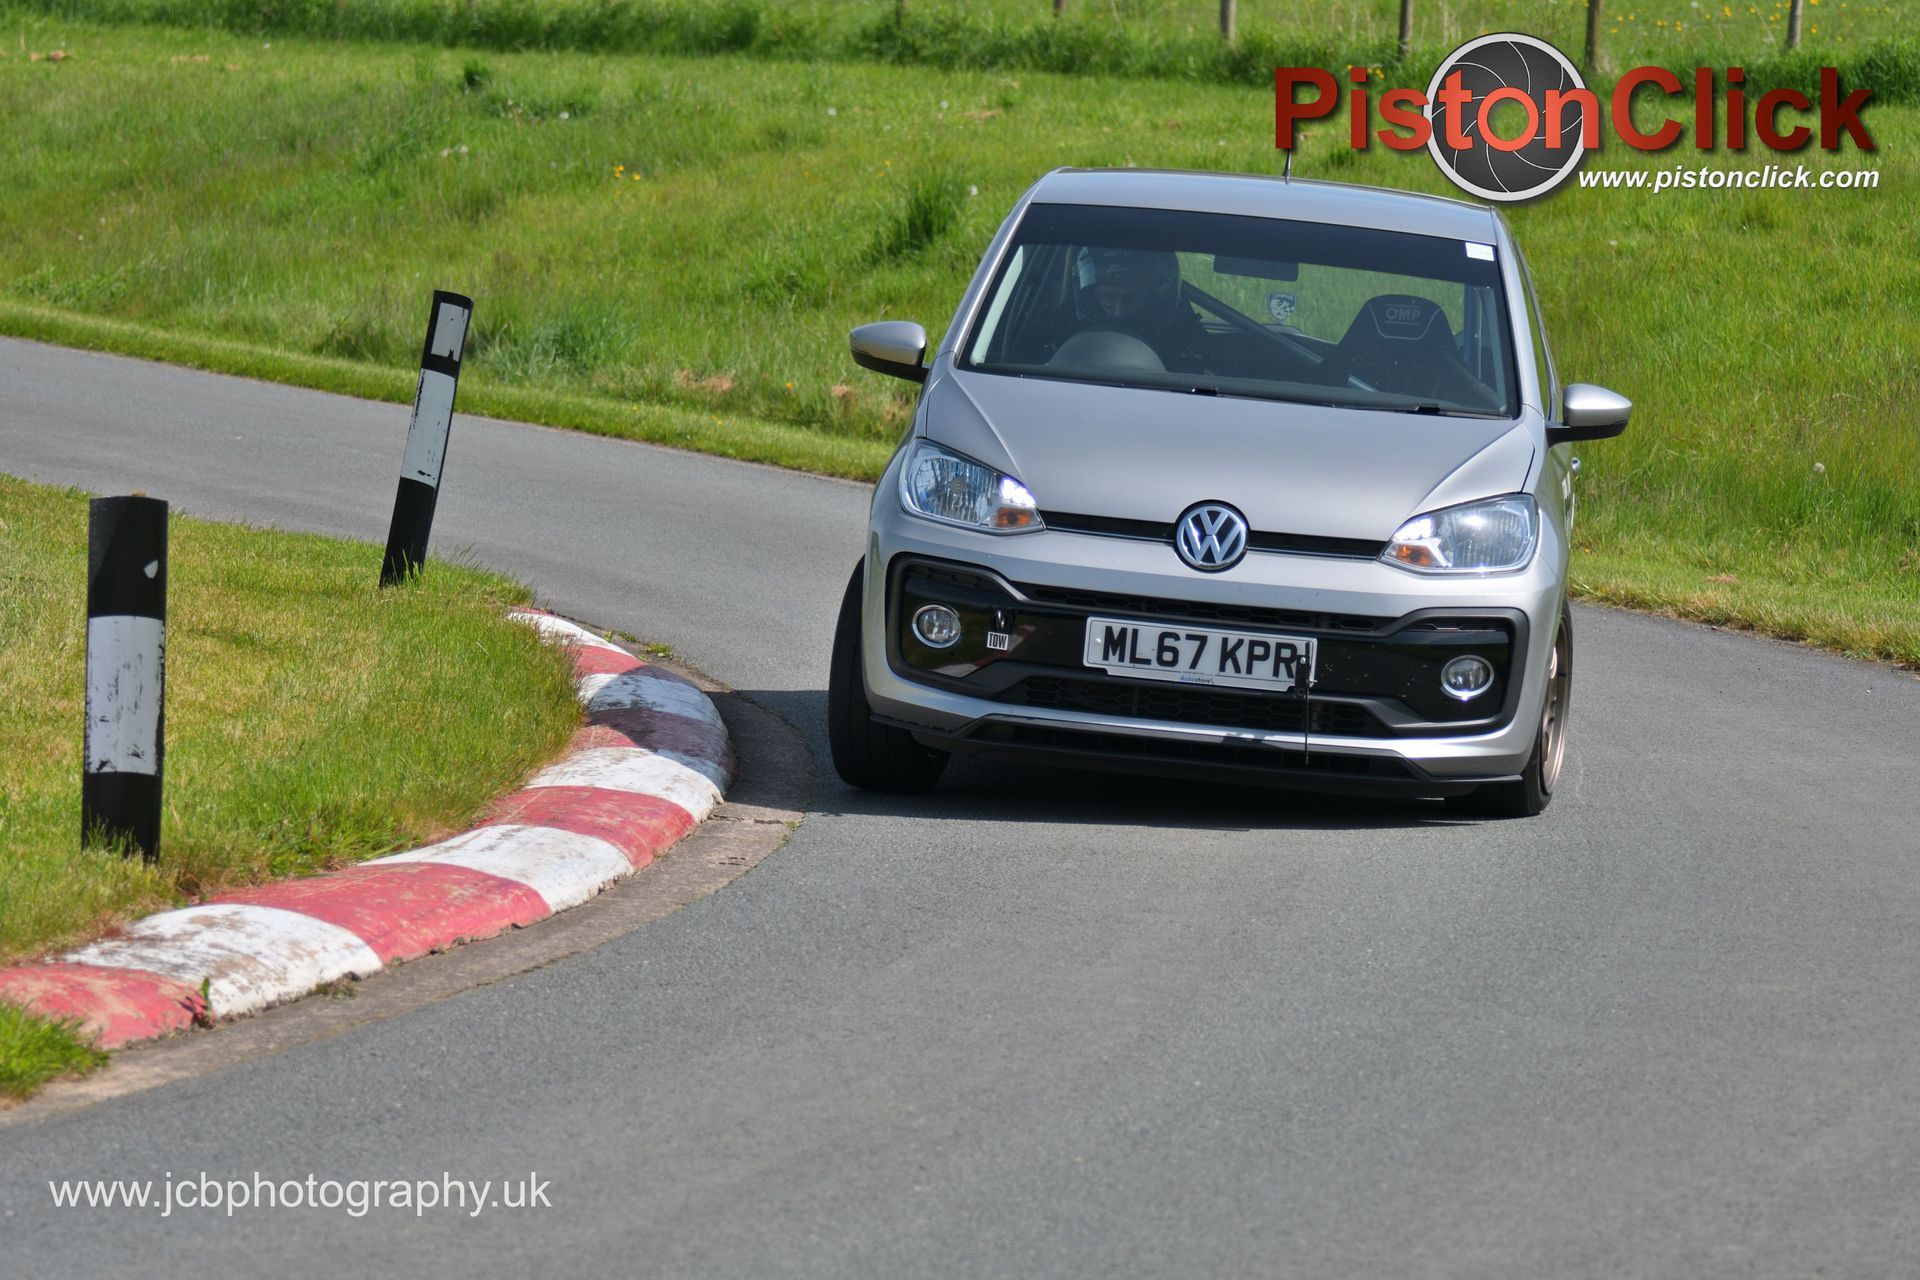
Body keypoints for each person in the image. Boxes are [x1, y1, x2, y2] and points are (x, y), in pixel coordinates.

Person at [1073, 246, 1210, 372]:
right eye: (1109, 296)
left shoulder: (1184, 339)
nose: (1119, 311)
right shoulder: (1066, 326)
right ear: (1093, 295)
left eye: (1132, 298)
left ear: (1154, 298)